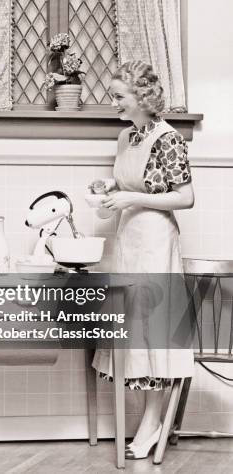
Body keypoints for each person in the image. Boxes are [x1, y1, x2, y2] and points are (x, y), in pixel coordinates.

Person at [91, 60, 195, 460]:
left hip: (155, 242)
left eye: (118, 96)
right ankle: (147, 420)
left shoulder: (169, 139)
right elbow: (129, 181)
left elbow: (185, 197)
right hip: (129, 240)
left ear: (143, 97)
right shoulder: (126, 137)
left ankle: (152, 424)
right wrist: (110, 185)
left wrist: (131, 197)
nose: (112, 102)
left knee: (155, 333)